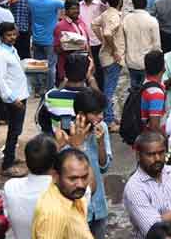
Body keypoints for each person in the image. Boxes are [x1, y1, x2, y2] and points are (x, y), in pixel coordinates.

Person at [53, 88, 113, 238]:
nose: (100, 117)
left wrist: (100, 143)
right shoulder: (66, 135)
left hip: (98, 207)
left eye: (102, 112)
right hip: (75, 209)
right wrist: (76, 146)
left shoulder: (102, 128)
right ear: (81, 114)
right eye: (96, 113)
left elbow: (104, 167)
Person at [0, 21, 30, 177]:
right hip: (14, 98)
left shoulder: (12, 50)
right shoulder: (0, 54)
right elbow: (0, 80)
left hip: (21, 94)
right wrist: (12, 98)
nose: (12, 37)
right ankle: (7, 165)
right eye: (9, 35)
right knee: (14, 130)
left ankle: (11, 156)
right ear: (2, 36)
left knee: (17, 129)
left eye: (14, 34)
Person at [4, 134, 59, 239]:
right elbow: (90, 189)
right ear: (55, 163)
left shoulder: (11, 187)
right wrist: (77, 148)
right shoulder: (62, 191)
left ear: (27, 161)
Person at [31, 148, 93, 239]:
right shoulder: (53, 213)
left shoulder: (72, 196)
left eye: (84, 177)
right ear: (55, 176)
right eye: (72, 179)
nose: (80, 184)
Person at [28, 0, 66, 94]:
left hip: (36, 38)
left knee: (38, 64)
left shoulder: (31, 0)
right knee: (51, 67)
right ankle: (49, 89)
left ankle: (38, 88)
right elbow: (66, 2)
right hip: (50, 39)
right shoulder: (54, 2)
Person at [93, 0, 125, 128]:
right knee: (109, 89)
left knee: (108, 87)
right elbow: (107, 33)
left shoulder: (106, 14)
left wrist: (103, 42)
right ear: (120, 2)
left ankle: (109, 116)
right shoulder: (114, 17)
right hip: (112, 58)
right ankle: (109, 120)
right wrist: (114, 50)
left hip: (105, 56)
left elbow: (94, 25)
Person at [123, 0, 162, 88]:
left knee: (134, 89)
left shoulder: (126, 19)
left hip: (131, 61)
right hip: (147, 63)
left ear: (133, 4)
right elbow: (157, 46)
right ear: (145, 3)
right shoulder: (152, 20)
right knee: (145, 90)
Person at [140, 50, 168, 134]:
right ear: (163, 68)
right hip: (152, 141)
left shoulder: (146, 83)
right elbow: (154, 126)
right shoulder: (156, 93)